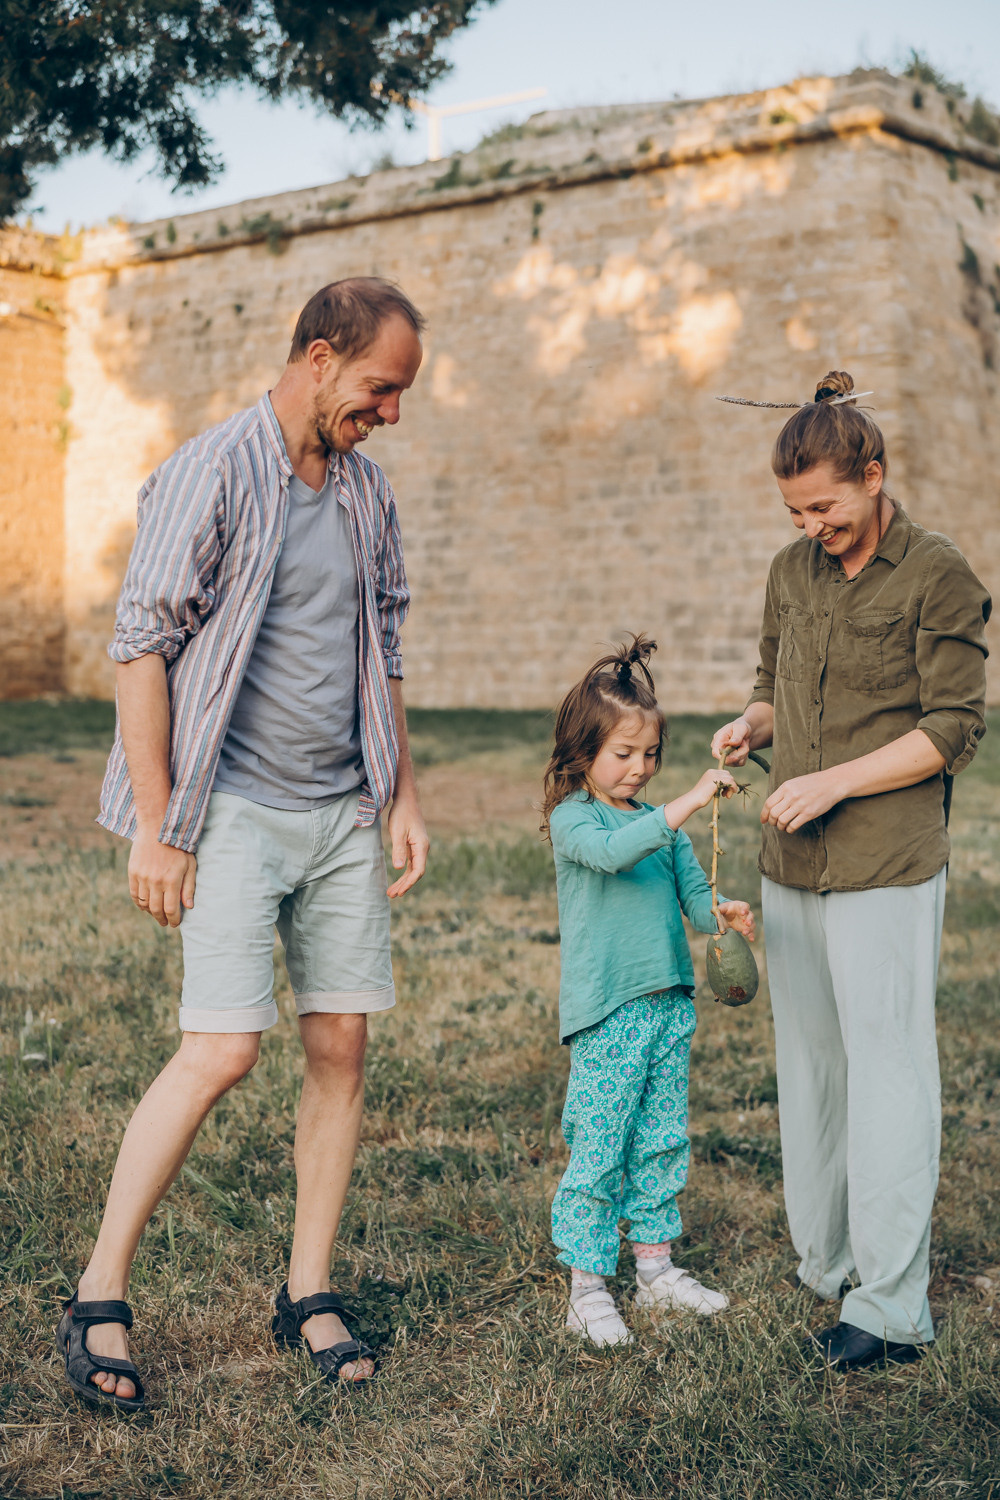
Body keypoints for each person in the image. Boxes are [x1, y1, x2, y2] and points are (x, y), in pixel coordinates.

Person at [56, 277, 431, 1410]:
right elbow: (140, 648)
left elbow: (386, 649)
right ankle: (99, 1290)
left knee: (341, 1047)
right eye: (379, 388)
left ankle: (307, 1291)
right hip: (231, 812)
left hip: (341, 814)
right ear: (319, 357)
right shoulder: (211, 469)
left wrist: (401, 793)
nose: (391, 413)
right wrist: (165, 828)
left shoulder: (367, 494)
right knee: (221, 1050)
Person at [711, 370, 991, 1372]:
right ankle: (824, 1262)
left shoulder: (939, 575)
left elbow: (952, 729)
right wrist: (750, 725)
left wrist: (830, 783)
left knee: (887, 1077)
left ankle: (890, 1305)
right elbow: (771, 685)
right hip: (790, 863)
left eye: (824, 505)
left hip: (885, 860)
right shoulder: (791, 572)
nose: (809, 523)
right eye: (794, 509)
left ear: (873, 477)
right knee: (814, 1072)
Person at [542, 636, 756, 1346]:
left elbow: (692, 896)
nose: (640, 768)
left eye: (650, 755)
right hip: (608, 1014)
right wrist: (685, 803)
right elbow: (611, 855)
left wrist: (720, 913)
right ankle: (587, 1287)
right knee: (600, 1145)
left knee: (661, 1139)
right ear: (582, 754)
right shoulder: (579, 819)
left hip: (669, 1006)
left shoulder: (664, 828)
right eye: (624, 754)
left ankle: (656, 1270)